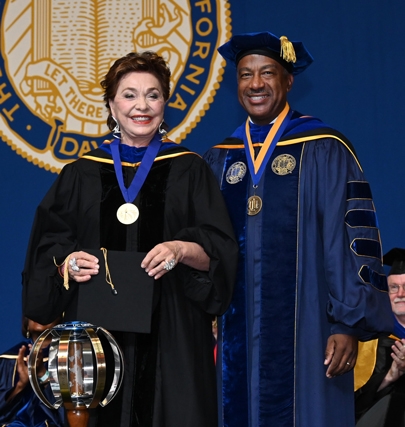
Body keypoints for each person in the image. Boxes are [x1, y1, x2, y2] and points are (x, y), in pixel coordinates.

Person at [22, 51, 238, 427]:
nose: (142, 106)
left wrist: (181, 249)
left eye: (153, 95)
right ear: (111, 104)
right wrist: (67, 264)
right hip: (97, 341)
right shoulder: (81, 174)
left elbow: (220, 251)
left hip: (174, 336)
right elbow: (46, 251)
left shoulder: (189, 170)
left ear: (165, 103)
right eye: (129, 94)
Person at [203, 31, 393, 427]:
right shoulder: (220, 160)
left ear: (288, 80)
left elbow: (350, 239)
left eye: (268, 73)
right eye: (245, 74)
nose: (255, 84)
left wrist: (346, 324)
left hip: (311, 331)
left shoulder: (323, 148)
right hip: (237, 339)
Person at [355, 248, 405, 426]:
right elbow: (356, 404)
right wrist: (393, 374)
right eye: (394, 288)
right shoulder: (370, 340)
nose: (400, 294)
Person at [0, 317, 64, 426]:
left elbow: (66, 416)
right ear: (26, 323)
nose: (39, 315)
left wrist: (43, 375)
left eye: (46, 310)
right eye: (33, 312)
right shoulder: (8, 360)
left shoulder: (69, 358)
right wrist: (20, 385)